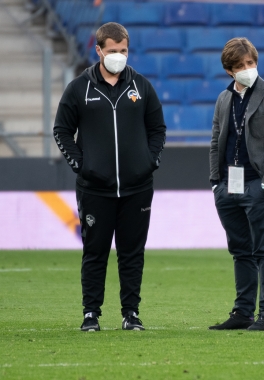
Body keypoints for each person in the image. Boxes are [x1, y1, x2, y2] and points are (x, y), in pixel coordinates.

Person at [53, 22, 166, 332]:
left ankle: (131, 314)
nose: (119, 56)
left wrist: (150, 161)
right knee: (95, 253)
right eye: (113, 51)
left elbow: (158, 129)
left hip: (137, 188)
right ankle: (91, 313)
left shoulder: (141, 87)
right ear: (99, 50)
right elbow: (61, 129)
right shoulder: (79, 88)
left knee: (132, 254)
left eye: (124, 51)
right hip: (94, 189)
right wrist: (81, 165)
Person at [208, 38, 264, 332]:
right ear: (229, 70)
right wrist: (215, 183)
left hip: (258, 185)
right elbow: (215, 141)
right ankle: (243, 312)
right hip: (228, 187)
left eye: (251, 63)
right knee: (240, 251)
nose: (247, 69)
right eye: (240, 65)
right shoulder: (223, 99)